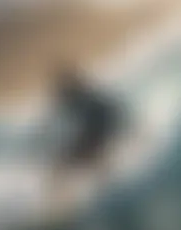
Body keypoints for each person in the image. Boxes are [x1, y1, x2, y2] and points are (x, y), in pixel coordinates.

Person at [47, 63, 125, 213]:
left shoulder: (80, 99)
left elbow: (109, 116)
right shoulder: (81, 98)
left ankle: (60, 201)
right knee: (65, 164)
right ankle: (61, 200)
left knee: (63, 165)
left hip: (97, 131)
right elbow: (109, 115)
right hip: (96, 130)